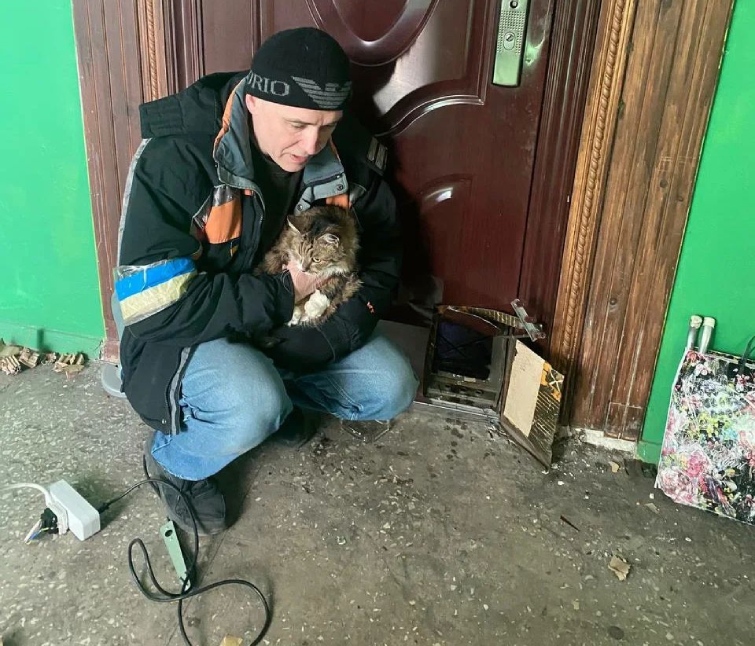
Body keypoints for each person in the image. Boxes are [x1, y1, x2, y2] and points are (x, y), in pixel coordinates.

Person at [114, 27, 418, 535]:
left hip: (281, 322)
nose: (312, 145)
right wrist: (283, 294)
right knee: (252, 403)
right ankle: (176, 460)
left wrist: (326, 340)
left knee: (391, 385)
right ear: (252, 101)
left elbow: (384, 258)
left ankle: (272, 403)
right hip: (190, 328)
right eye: (297, 124)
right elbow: (155, 306)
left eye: (327, 126)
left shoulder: (345, 151)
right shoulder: (177, 155)